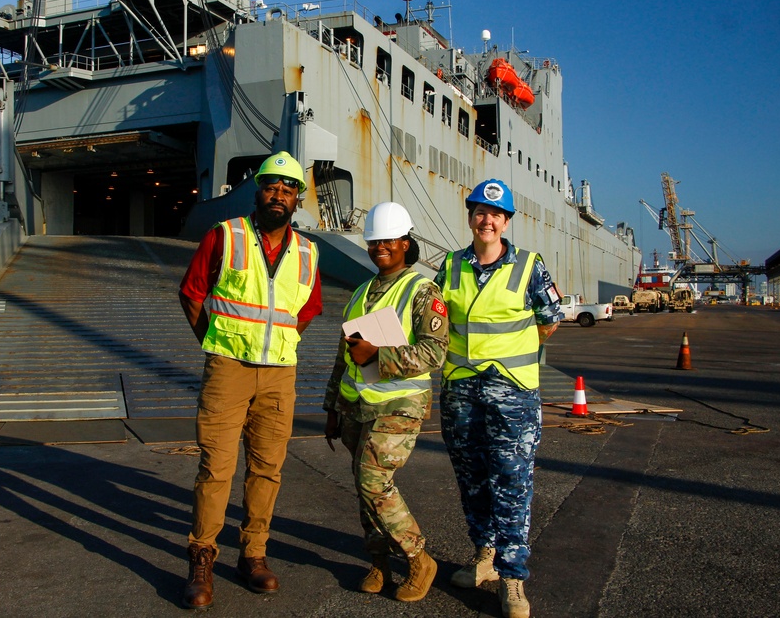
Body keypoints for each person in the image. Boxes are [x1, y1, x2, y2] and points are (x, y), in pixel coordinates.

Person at [177, 151, 322, 610]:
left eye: (288, 189)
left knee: (267, 469)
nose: (278, 195)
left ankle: (253, 555)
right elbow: (192, 292)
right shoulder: (226, 236)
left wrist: (277, 345)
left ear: (297, 198)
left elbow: (308, 309)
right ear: (258, 191)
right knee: (216, 468)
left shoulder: (308, 250)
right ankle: (202, 558)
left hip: (279, 374)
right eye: (271, 186)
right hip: (228, 371)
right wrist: (216, 340)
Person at [435, 179, 562, 618]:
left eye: (496, 214)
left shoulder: (529, 266)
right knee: (472, 480)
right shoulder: (450, 266)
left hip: (513, 393)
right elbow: (433, 323)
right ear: (470, 217)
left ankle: (513, 579)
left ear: (506, 221)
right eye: (479, 212)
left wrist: (514, 362)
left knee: (512, 484)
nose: (487, 220)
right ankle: (484, 559)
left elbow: (549, 321)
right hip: (460, 391)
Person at [323, 202, 448, 602]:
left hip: (402, 403)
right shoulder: (361, 291)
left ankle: (418, 558)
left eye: (390, 240)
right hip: (357, 406)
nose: (381, 246)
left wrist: (380, 356)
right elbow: (345, 354)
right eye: (375, 240)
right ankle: (379, 562)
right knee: (365, 488)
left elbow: (435, 352)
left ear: (406, 244)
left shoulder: (422, 290)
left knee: (373, 480)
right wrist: (330, 407)